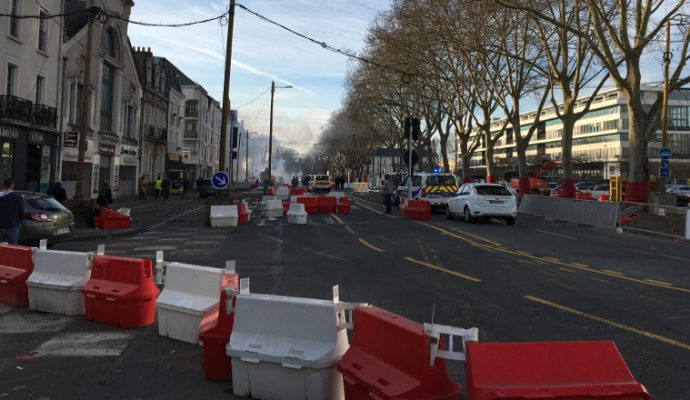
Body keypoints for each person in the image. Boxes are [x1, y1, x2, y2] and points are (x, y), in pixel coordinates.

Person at [0, 178, 24, 244]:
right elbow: (21, 211)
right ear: (12, 185)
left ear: (3, 185)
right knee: (13, 246)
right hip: (13, 225)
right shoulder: (18, 197)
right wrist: (20, 222)